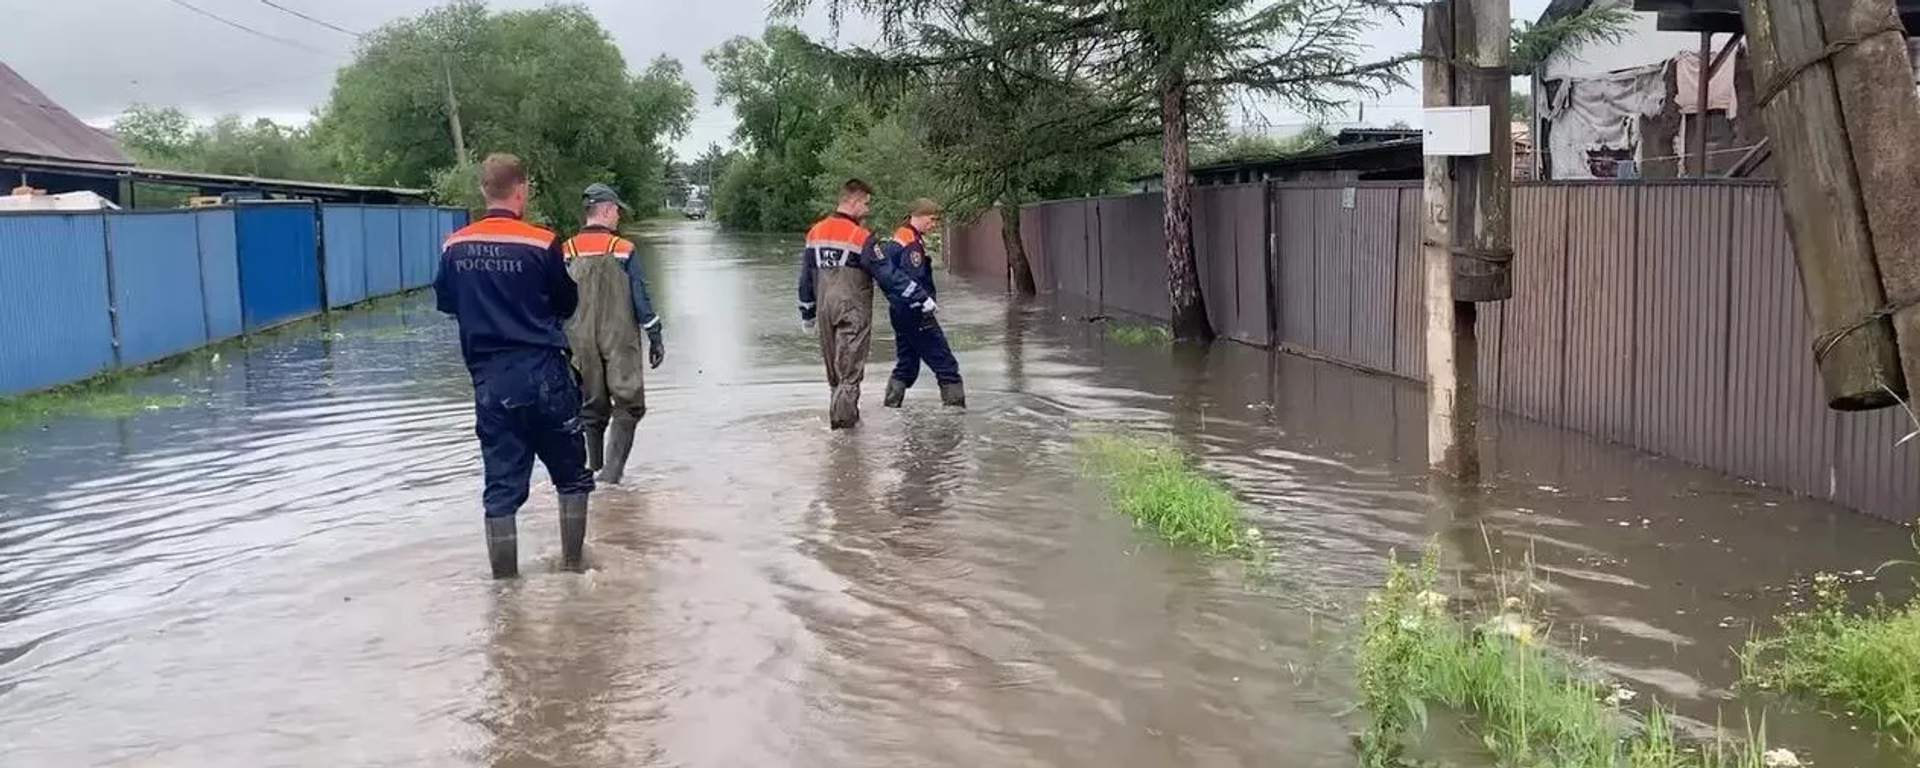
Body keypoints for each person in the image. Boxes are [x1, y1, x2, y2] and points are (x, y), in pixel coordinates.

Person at [434, 153, 594, 579]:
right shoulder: (542, 243)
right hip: (544, 373)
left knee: (500, 491)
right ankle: (574, 571)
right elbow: (566, 303)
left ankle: (504, 592)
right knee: (572, 478)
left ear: (484, 191)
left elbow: (446, 302)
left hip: (490, 382)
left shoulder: (454, 245)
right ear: (521, 190)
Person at [798, 178, 935, 429]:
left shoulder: (814, 232)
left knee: (835, 376)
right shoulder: (860, 236)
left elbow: (806, 276)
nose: (868, 209)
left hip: (824, 309)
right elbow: (887, 275)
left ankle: (843, 423)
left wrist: (807, 312)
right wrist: (919, 296)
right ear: (853, 201)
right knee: (850, 374)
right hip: (853, 310)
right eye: (866, 204)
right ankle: (845, 441)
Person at [562, 183, 665, 486]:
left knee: (590, 408)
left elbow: (554, 300)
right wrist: (655, 334)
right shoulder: (623, 249)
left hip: (578, 339)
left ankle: (591, 473)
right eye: (617, 210)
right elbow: (640, 297)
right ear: (606, 210)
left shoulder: (565, 250)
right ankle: (612, 476)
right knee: (629, 404)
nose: (618, 216)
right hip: (618, 338)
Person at [880, 198, 965, 409]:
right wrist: (923, 300)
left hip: (899, 311)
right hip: (915, 311)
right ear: (917, 215)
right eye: (932, 218)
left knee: (907, 366)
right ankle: (955, 418)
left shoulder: (899, 237)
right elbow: (913, 276)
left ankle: (890, 408)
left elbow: (890, 276)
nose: (934, 224)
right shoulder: (912, 243)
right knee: (946, 365)